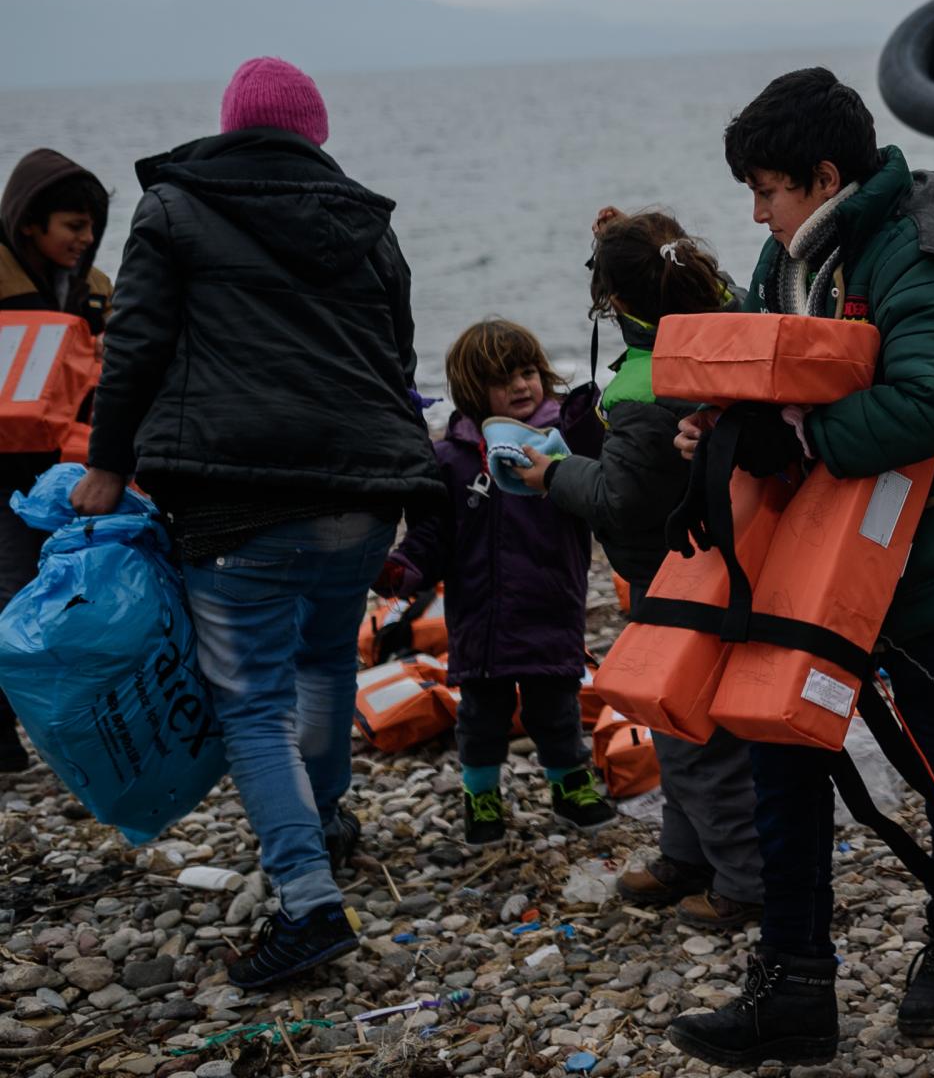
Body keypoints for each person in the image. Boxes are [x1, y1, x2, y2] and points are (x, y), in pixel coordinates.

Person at [665, 67, 934, 1067]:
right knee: (778, 743)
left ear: (825, 174)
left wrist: (801, 440)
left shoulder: (925, 247)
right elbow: (763, 369)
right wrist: (718, 419)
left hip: (929, 548)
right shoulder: (790, 251)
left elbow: (933, 403)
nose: (754, 209)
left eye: (767, 187)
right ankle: (793, 986)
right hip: (811, 549)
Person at [70, 57, 442, 990]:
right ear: (314, 137)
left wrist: (108, 465)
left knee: (254, 702)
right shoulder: (368, 225)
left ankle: (309, 901)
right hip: (362, 492)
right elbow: (395, 357)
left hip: (239, 496)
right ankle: (320, 824)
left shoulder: (174, 208)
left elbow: (139, 345)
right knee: (323, 664)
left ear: (231, 128)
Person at [518, 210, 764, 921]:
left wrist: (552, 475)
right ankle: (686, 857)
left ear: (617, 303)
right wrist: (621, 238)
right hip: (734, 562)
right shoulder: (731, 319)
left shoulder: (644, 390)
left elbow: (620, 498)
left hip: (677, 577)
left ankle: (747, 884)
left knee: (692, 733)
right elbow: (664, 267)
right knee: (675, 720)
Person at [381, 319, 615, 845]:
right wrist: (405, 569)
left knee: (555, 710)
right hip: (480, 616)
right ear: (470, 392)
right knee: (481, 718)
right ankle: (481, 796)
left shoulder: (562, 442)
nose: (521, 385)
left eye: (528, 372)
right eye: (502, 379)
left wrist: (587, 410)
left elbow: (602, 464)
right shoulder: (453, 459)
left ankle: (571, 787)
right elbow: (432, 535)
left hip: (551, 607)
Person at [0, 149, 113, 772]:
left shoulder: (96, 290)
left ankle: (78, 731)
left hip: (74, 479)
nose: (87, 238)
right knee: (12, 596)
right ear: (29, 226)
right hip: (4, 478)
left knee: (80, 602)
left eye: (92, 226)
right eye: (73, 225)